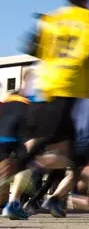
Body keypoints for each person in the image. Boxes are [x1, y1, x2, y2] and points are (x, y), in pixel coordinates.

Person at [2, 0, 89, 220]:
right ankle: (14, 188)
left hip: (45, 86)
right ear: (85, 1)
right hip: (69, 87)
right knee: (43, 145)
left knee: (71, 152)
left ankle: (53, 199)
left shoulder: (50, 18)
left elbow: (29, 46)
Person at [42, 71, 89, 217]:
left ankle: (55, 198)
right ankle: (74, 195)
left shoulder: (81, 98)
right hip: (87, 141)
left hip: (72, 139)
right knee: (84, 170)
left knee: (74, 172)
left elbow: (72, 116)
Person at [0, 70, 31, 219]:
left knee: (7, 172)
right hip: (13, 139)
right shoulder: (27, 102)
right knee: (24, 166)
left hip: (5, 138)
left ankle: (11, 203)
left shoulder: (6, 100)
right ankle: (12, 204)